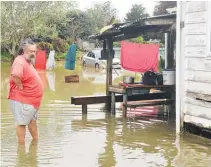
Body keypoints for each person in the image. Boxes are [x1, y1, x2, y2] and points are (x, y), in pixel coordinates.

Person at [8, 38, 44, 144]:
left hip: (32, 101)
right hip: (22, 100)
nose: (33, 53)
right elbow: (15, 75)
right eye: (31, 51)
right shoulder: (20, 61)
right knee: (21, 123)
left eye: (34, 51)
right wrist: (20, 86)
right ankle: (21, 148)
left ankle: (35, 143)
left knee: (32, 122)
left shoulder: (27, 61)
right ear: (24, 50)